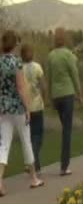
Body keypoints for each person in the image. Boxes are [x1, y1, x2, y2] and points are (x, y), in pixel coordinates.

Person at [0, 31, 44, 196]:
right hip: (17, 107)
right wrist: (27, 108)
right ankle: (34, 178)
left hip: (3, 109)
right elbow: (20, 86)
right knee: (26, 141)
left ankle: (0, 181)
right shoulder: (16, 62)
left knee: (4, 144)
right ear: (14, 44)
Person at [47, 27, 82, 176]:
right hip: (67, 94)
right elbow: (74, 74)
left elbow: (49, 78)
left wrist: (50, 97)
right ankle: (64, 165)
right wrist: (80, 93)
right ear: (65, 39)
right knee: (67, 130)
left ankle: (64, 163)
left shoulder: (50, 56)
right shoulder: (68, 54)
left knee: (64, 127)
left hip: (56, 96)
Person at [21, 43, 46, 174]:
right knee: (38, 135)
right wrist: (45, 99)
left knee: (29, 137)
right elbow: (43, 86)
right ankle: (32, 162)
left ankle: (35, 165)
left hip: (24, 107)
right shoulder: (37, 67)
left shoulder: (19, 68)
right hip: (36, 105)